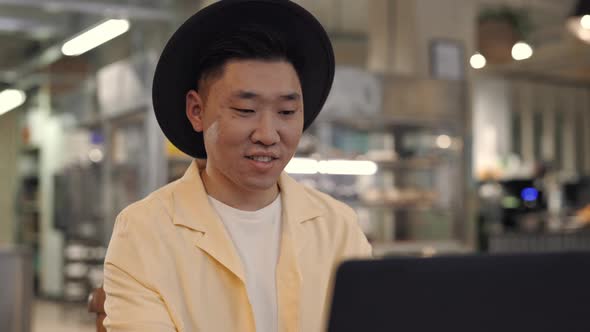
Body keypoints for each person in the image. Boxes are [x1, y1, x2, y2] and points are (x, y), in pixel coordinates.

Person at [103, 1, 372, 331]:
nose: (268, 134)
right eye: (246, 110)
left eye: (286, 113)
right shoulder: (144, 232)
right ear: (197, 111)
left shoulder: (338, 228)